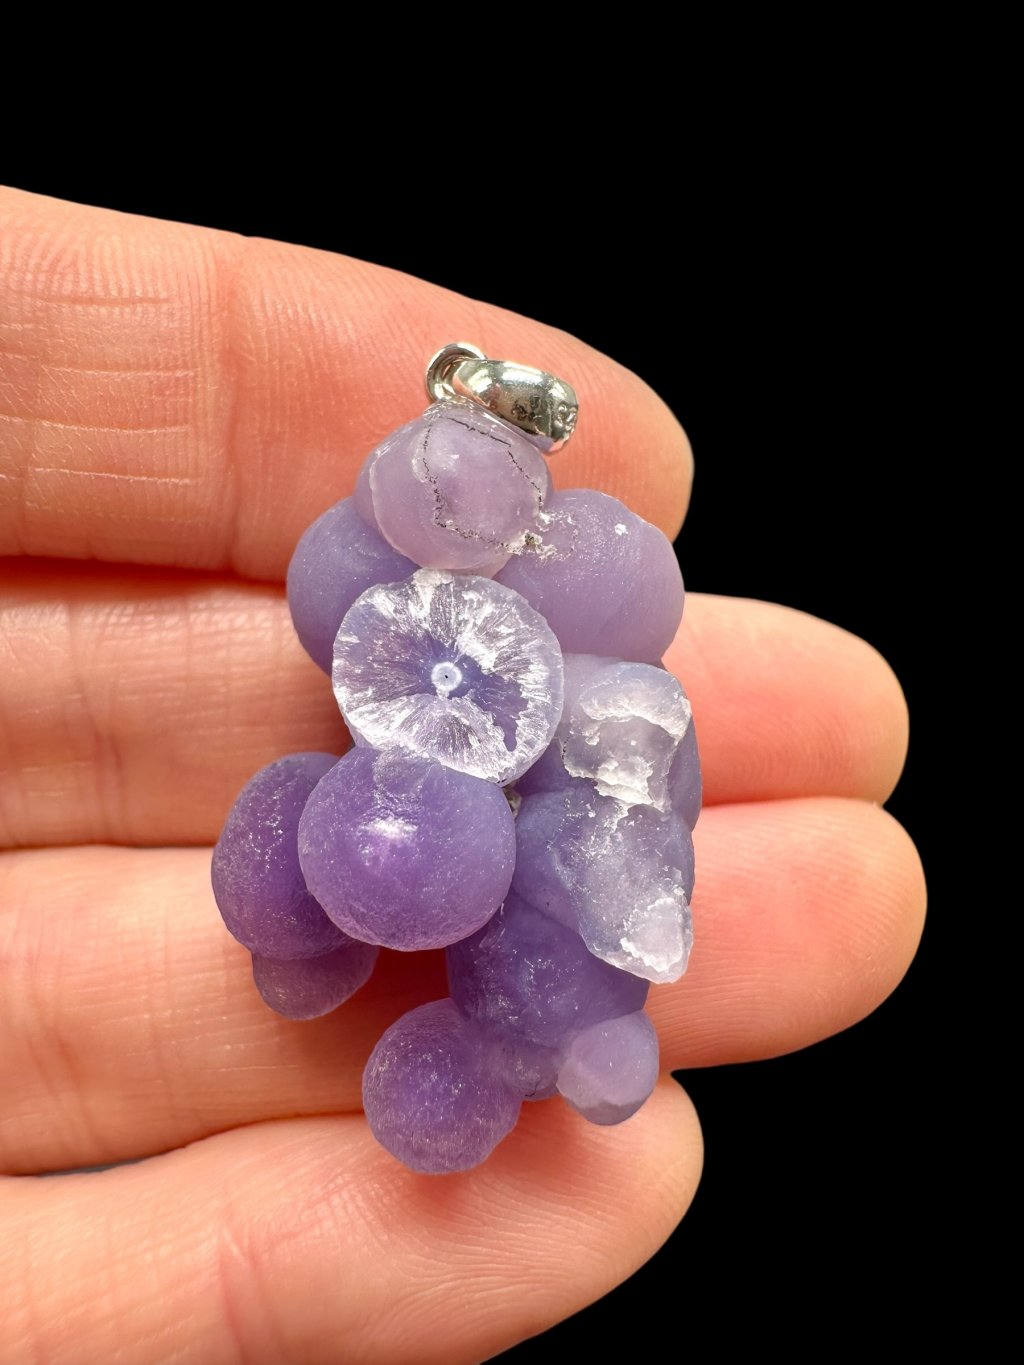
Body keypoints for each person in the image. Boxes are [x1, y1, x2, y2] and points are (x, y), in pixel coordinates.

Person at [0, 188, 925, 1364]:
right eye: (438, 484)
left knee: (508, 913)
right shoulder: (379, 598)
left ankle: (502, 1031)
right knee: (341, 859)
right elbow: (347, 610)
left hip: (535, 855)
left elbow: (619, 735)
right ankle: (411, 988)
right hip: (454, 814)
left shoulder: (590, 667)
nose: (451, 508)